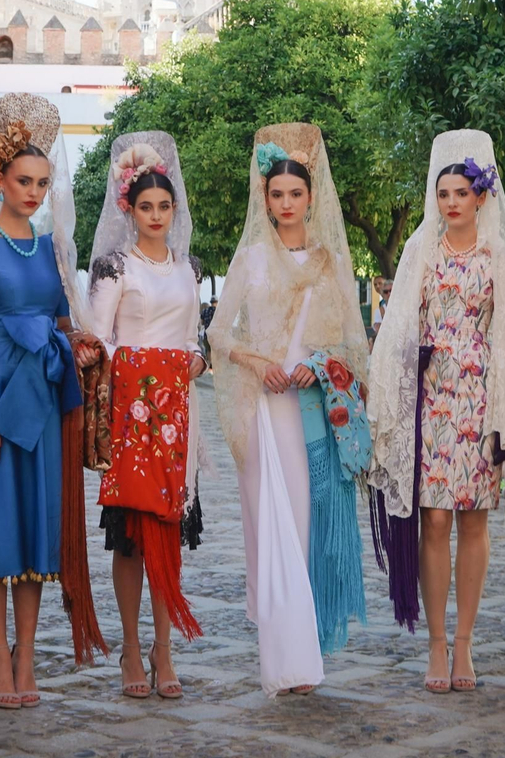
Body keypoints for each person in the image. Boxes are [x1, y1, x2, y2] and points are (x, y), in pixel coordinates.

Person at [0, 93, 105, 710]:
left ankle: (26, 656)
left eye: (42, 182)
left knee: (40, 526)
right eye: (24, 181)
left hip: (43, 400)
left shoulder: (50, 248)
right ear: (0, 179)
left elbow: (63, 322)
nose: (35, 192)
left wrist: (83, 347)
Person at [209, 123, 371, 697]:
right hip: (266, 411)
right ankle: (282, 661)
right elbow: (218, 335)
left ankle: (305, 655)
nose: (285, 204)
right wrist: (258, 363)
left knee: (304, 528)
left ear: (311, 196)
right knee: (272, 528)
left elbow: (355, 341)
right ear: (265, 197)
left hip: (312, 408)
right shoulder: (251, 259)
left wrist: (320, 364)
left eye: (294, 194)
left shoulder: (330, 262)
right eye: (275, 194)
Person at [368, 131, 505, 694]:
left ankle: (465, 645)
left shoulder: (502, 257)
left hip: (480, 397)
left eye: (461, 193)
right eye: (443, 194)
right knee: (432, 518)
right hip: (430, 397)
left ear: (481, 197)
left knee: (473, 520)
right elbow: (396, 328)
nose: (452, 202)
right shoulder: (420, 251)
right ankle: (436, 643)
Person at [87, 133, 207, 699]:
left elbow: (193, 337)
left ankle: (164, 650)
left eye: (164, 207)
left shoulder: (189, 268)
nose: (155, 216)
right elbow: (97, 339)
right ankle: (131, 650)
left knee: (168, 534)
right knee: (130, 540)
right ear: (128, 210)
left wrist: (195, 360)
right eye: (145, 207)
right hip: (133, 418)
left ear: (173, 209)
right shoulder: (114, 268)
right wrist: (141, 368)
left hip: (178, 417)